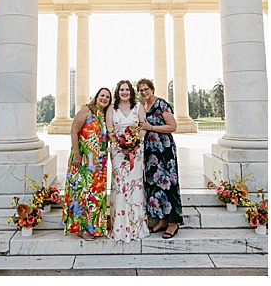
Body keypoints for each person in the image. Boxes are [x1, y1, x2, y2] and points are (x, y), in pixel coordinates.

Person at [137, 78, 183, 239]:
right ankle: (162, 220)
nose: (144, 92)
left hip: (164, 150)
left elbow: (173, 126)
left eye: (146, 89)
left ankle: (173, 223)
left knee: (168, 185)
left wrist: (152, 128)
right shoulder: (142, 106)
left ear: (152, 89)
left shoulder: (161, 104)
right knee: (154, 185)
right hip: (150, 151)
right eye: (141, 90)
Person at [64, 86, 112, 239]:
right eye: (102, 95)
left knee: (96, 194)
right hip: (83, 161)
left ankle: (96, 228)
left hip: (98, 163)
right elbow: (74, 131)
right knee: (82, 192)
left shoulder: (103, 115)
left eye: (107, 97)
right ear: (97, 96)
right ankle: (82, 228)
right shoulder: (86, 110)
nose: (104, 98)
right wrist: (77, 155)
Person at [108, 79, 146, 241]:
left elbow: (143, 126)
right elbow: (110, 130)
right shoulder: (111, 108)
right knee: (119, 186)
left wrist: (134, 143)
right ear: (118, 92)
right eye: (122, 90)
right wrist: (120, 145)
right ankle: (119, 227)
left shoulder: (139, 108)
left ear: (131, 92)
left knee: (134, 185)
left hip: (135, 151)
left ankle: (136, 226)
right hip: (117, 152)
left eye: (127, 90)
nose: (124, 92)